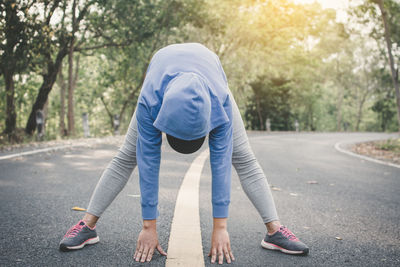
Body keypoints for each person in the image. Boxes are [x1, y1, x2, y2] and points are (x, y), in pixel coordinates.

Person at [59, 43, 309, 264]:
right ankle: (87, 226)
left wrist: (220, 227)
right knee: (127, 156)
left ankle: (275, 231)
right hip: (163, 83)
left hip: (211, 84)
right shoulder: (150, 101)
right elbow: (148, 161)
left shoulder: (221, 103)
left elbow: (220, 163)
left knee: (243, 157)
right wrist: (148, 226)